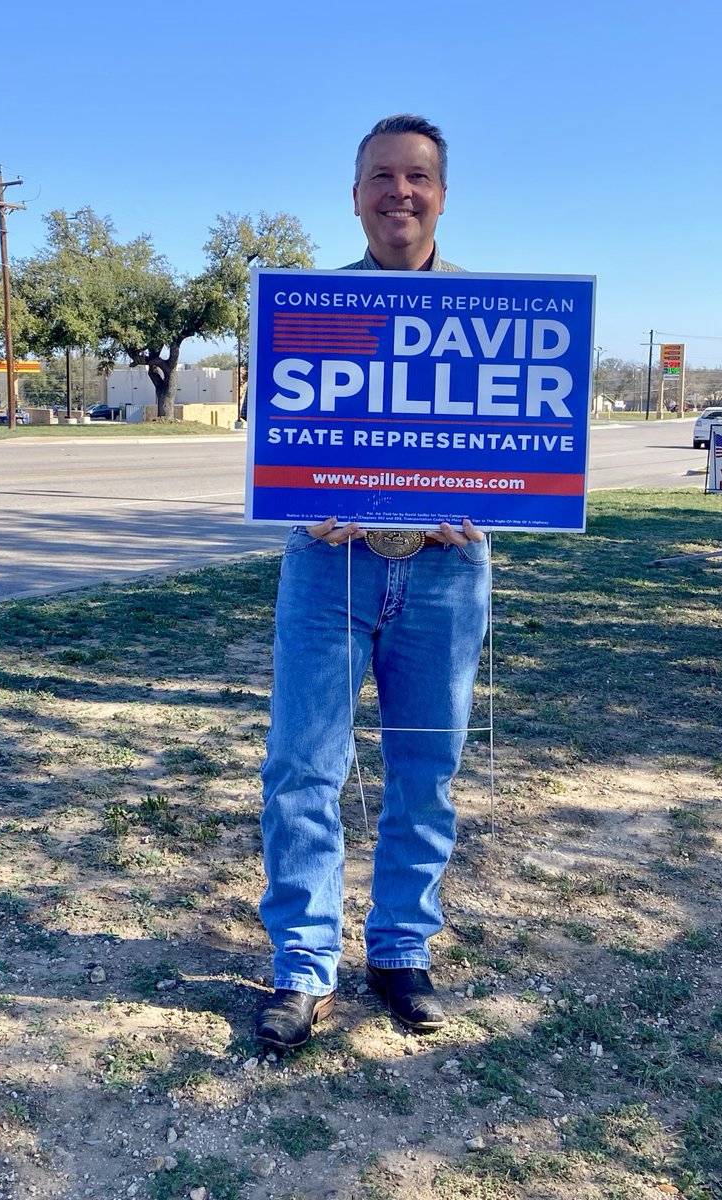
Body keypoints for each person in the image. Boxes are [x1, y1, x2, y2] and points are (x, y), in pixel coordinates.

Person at [255, 115, 491, 1051]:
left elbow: (519, 455)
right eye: (382, 177)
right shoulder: (304, 310)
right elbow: (279, 444)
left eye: (418, 177)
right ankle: (302, 968)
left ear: (442, 194)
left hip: (445, 576)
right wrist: (301, 502)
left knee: (426, 777)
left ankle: (400, 953)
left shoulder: (498, 317)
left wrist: (495, 508)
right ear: (355, 194)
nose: (401, 192)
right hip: (328, 570)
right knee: (303, 771)